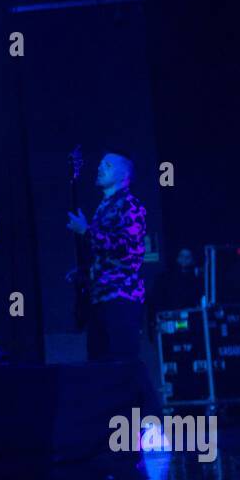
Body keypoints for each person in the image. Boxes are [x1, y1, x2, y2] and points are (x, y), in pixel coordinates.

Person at [66, 152, 147, 360]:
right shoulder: (104, 207)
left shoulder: (130, 205)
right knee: (99, 364)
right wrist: (84, 271)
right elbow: (105, 252)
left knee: (121, 364)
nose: (100, 168)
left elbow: (128, 251)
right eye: (101, 164)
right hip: (100, 296)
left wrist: (87, 231)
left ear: (124, 175)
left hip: (121, 296)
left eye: (108, 165)